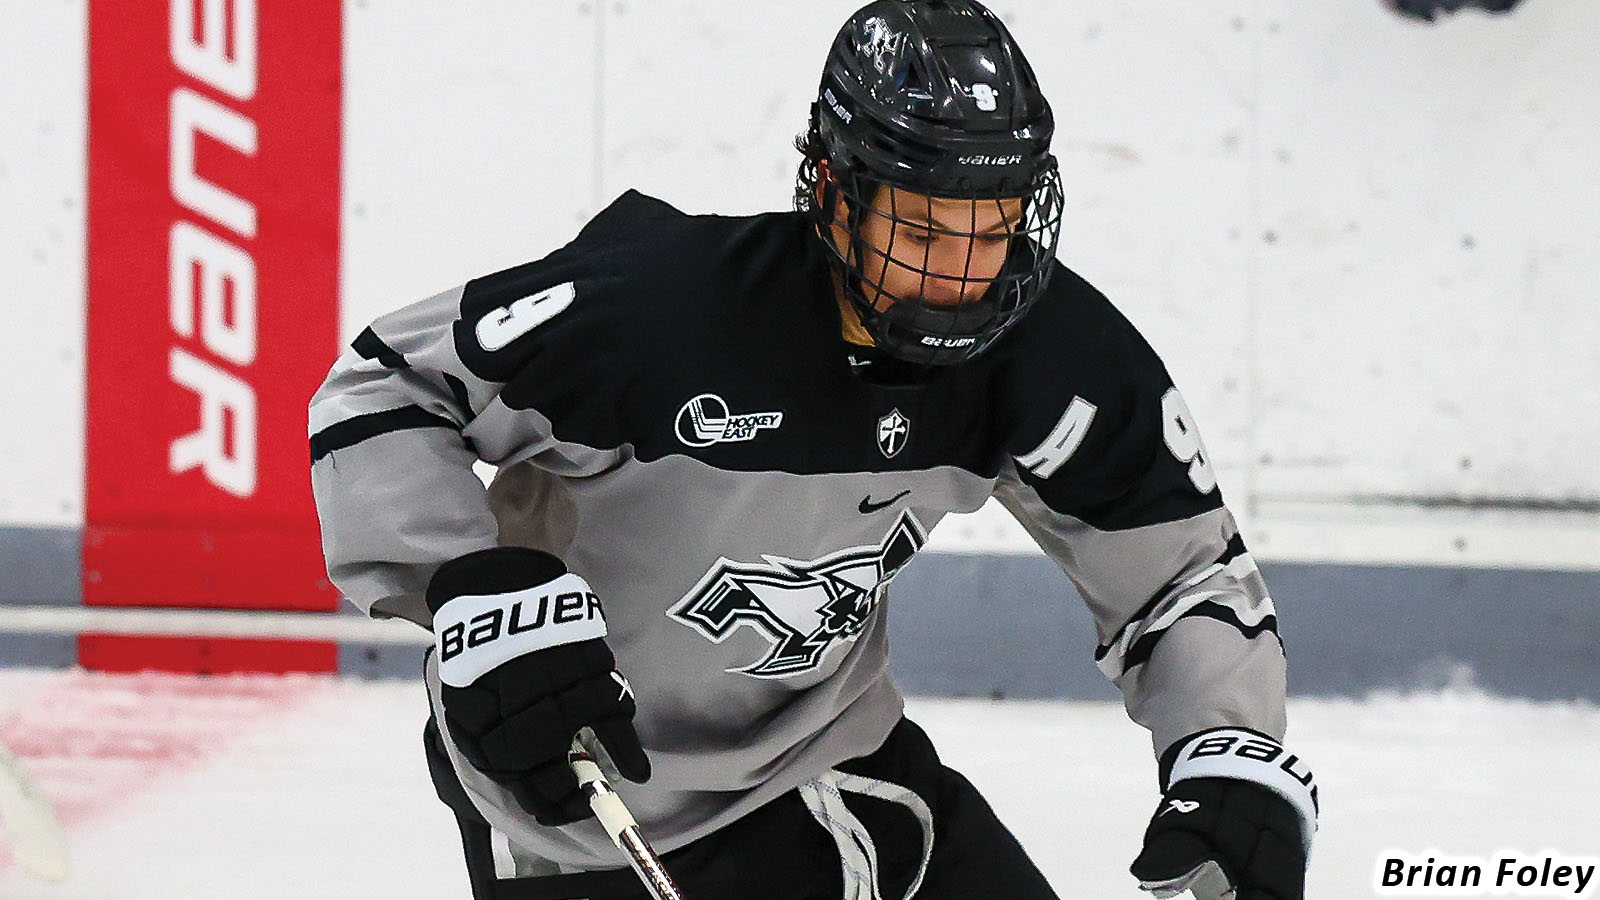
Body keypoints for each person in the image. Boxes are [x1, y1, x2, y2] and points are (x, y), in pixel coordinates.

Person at [308, 2, 1318, 898]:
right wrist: (469, 585)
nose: (962, 280)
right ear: (835, 195)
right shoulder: (660, 312)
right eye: (923, 234)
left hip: (846, 766)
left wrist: (1225, 745)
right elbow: (384, 385)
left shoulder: (1047, 353)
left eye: (994, 232)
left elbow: (1178, 575)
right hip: (583, 797)